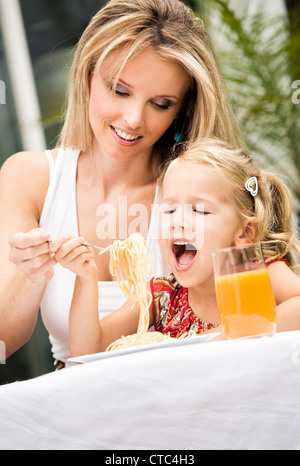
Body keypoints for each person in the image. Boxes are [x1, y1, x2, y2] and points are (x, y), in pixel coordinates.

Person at [0, 0, 245, 367]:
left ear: (183, 110)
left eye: (160, 104)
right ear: (87, 76)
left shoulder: (204, 194)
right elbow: (5, 339)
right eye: (119, 90)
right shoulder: (30, 177)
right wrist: (30, 275)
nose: (133, 120)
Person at [58, 138, 300, 356]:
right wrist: (85, 277)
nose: (178, 222)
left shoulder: (258, 274)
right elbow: (87, 348)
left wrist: (228, 336)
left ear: (245, 231)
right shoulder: (159, 295)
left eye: (200, 210)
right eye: (169, 209)